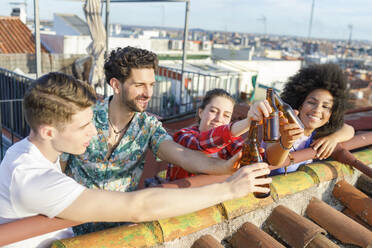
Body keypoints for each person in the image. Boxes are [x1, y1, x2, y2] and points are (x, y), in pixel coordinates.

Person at [0, 72, 271, 248]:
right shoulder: (32, 179)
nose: (94, 131)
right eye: (84, 126)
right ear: (49, 131)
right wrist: (231, 188)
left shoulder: (23, 151)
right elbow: (138, 206)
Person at [61, 46, 271, 234]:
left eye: (151, 84)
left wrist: (226, 167)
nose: (148, 93)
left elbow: (186, 157)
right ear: (116, 85)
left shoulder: (148, 127)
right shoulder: (82, 119)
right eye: (139, 85)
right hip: (66, 229)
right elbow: (57, 168)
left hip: (118, 233)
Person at [265, 63, 355, 175]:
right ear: (300, 104)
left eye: (325, 106)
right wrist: (286, 140)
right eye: (312, 102)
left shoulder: (314, 133)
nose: (317, 110)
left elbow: (349, 129)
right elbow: (273, 159)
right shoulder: (283, 125)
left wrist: (333, 138)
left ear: (332, 114)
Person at [167, 88, 272, 181]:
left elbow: (258, 160)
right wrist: (248, 122)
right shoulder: (183, 136)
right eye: (213, 111)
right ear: (201, 112)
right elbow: (202, 143)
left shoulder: (231, 142)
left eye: (226, 115)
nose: (218, 119)